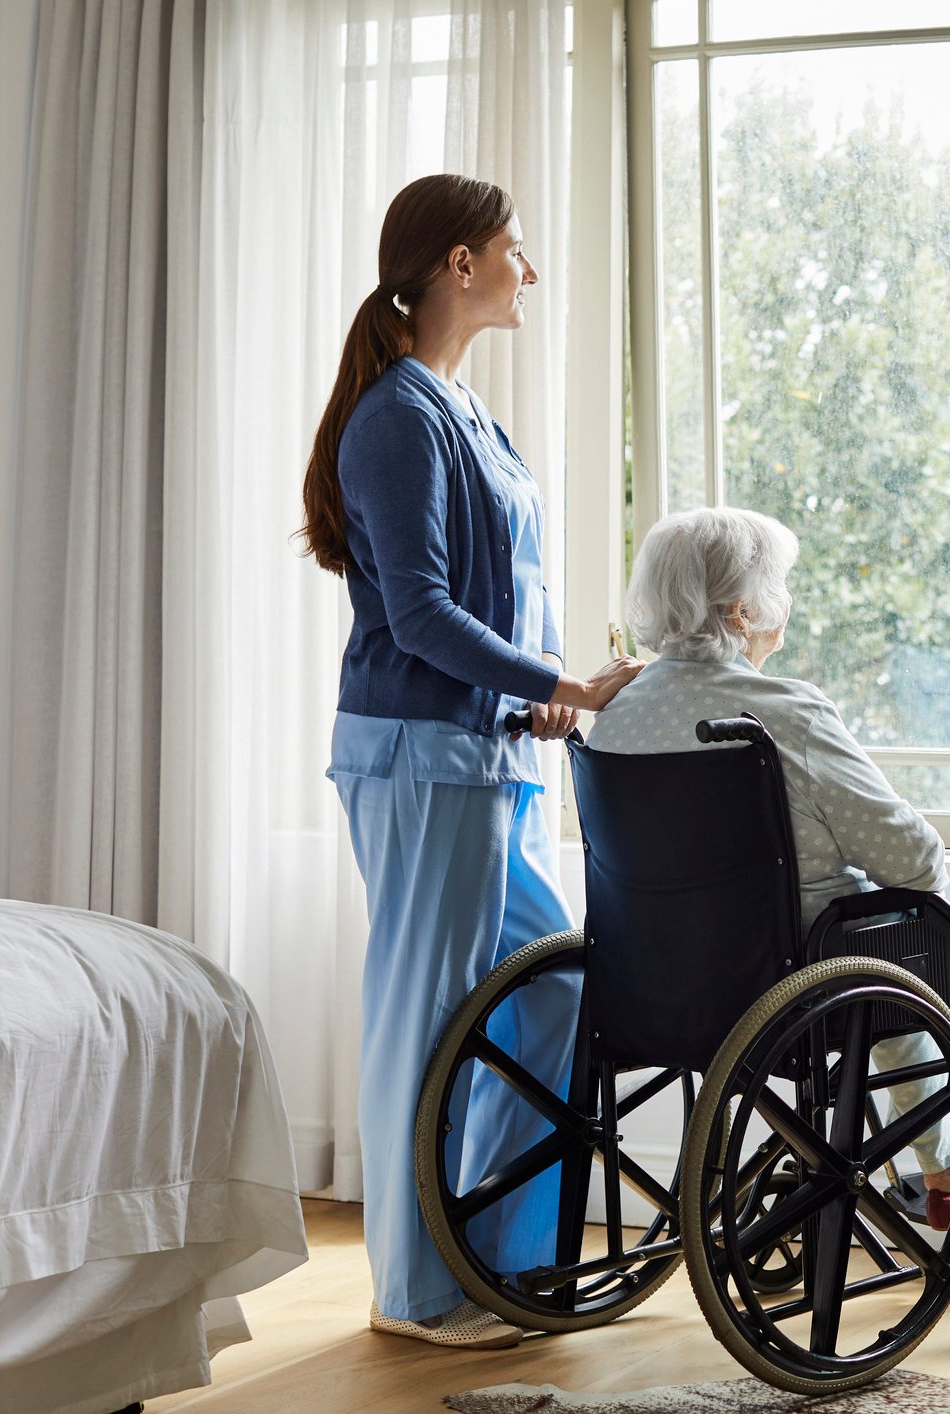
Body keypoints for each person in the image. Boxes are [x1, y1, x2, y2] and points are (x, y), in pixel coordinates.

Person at [298, 174, 642, 1349]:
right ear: (457, 264)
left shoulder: (462, 409)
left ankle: (488, 1255)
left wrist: (539, 696)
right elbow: (422, 612)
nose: (526, 273)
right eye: (511, 251)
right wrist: (561, 684)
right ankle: (417, 1292)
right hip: (418, 758)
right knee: (425, 1012)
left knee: (553, 985)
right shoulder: (396, 415)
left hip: (481, 754)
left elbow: (489, 602)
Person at [588, 507, 950, 1222]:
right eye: (779, 586)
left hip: (654, 982)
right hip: (798, 984)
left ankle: (947, 1168)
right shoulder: (784, 712)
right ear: (743, 609)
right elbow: (916, 864)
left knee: (879, 937)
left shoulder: (618, 714)